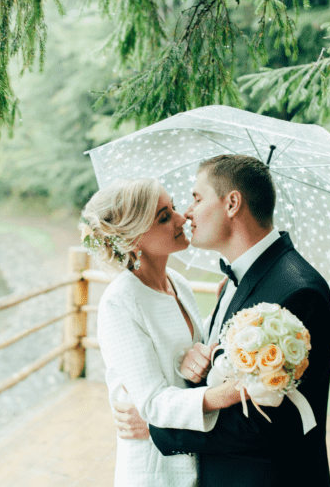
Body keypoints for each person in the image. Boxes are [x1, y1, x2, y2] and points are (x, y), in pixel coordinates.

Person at [115, 155, 330, 487]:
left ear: (232, 203)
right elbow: (224, 369)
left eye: (196, 198)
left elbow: (266, 425)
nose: (187, 212)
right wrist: (195, 361)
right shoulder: (237, 281)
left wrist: (159, 425)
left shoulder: (296, 291)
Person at [80, 177, 243, 487]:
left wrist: (226, 303)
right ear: (130, 240)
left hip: (198, 457)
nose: (183, 219)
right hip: (157, 471)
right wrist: (225, 395)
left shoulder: (177, 283)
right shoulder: (120, 303)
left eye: (174, 208)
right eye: (164, 217)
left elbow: (190, 345)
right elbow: (152, 403)